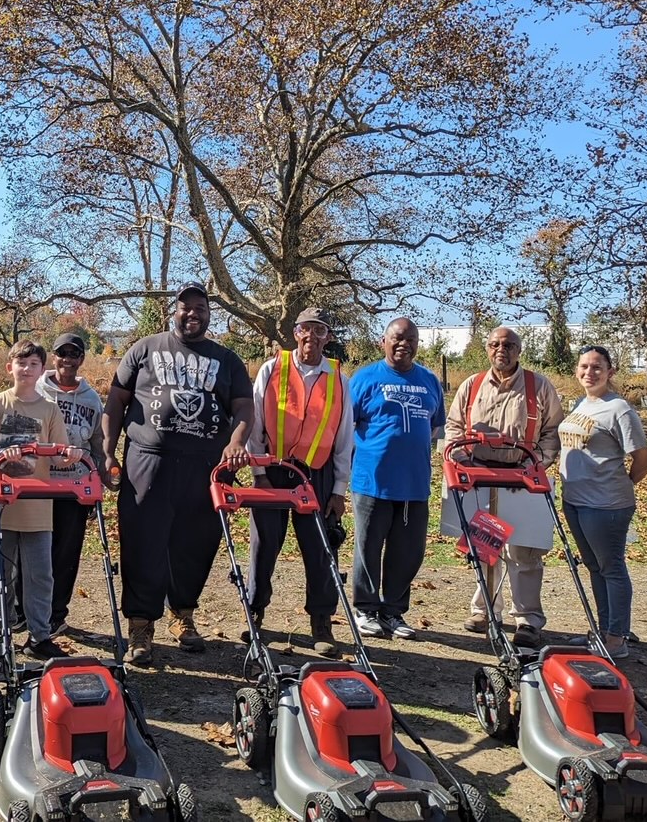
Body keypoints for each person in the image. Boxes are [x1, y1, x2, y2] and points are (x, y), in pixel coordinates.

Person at [102, 282, 253, 665]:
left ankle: (182, 614)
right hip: (147, 460)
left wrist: (237, 442)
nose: (193, 313)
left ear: (208, 313)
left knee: (196, 543)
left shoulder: (228, 360)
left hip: (206, 467)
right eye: (186, 307)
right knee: (142, 541)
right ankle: (140, 624)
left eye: (200, 307)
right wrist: (107, 449)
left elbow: (244, 409)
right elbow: (116, 400)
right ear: (175, 310)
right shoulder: (145, 349)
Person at [442, 326, 564, 649]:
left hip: (523, 478)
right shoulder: (473, 385)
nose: (502, 349)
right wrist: (463, 456)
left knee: (524, 552)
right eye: (495, 344)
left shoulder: (538, 386)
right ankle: (484, 611)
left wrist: (534, 462)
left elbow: (553, 431)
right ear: (487, 349)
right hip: (481, 476)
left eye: (509, 344)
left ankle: (527, 619)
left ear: (519, 350)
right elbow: (455, 426)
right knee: (485, 547)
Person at [242, 308, 353, 657]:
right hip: (272, 470)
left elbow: (344, 439)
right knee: (264, 546)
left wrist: (338, 491)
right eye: (306, 329)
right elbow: (256, 421)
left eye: (320, 331)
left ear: (328, 338)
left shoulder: (339, 378)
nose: (312, 337)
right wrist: (258, 474)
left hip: (316, 473)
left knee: (321, 550)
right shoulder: (273, 368)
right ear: (296, 332)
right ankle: (255, 613)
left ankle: (321, 623)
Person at [0, 339, 83, 661]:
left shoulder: (49, 410)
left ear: (41, 369)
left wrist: (71, 454)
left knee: (40, 574)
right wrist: (6, 454)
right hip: (0, 503)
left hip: (37, 504)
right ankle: (2, 629)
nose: (27, 369)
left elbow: (62, 456)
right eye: (21, 363)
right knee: (1, 572)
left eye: (34, 364)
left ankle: (39, 635)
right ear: (10, 367)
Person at [349, 317, 445, 641]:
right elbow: (344, 429)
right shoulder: (364, 379)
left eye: (411, 339)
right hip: (373, 482)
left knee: (408, 552)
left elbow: (435, 429)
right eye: (398, 338)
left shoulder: (429, 381)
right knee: (368, 549)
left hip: (414, 485)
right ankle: (365, 609)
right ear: (384, 341)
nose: (404, 344)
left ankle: (392, 612)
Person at [558, 345, 647, 660]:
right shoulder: (581, 404)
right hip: (575, 500)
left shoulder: (619, 409)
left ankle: (617, 637)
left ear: (610, 371)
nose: (590, 372)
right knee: (595, 568)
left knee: (611, 568)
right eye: (584, 366)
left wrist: (623, 484)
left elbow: (642, 457)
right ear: (576, 370)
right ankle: (603, 629)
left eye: (597, 367)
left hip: (606, 505)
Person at [37, 332, 105, 638]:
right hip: (38, 484)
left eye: (74, 354)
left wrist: (102, 477)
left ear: (81, 359)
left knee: (66, 554)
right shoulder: (37, 390)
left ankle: (56, 615)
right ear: (53, 357)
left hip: (75, 486)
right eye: (62, 353)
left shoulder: (91, 399)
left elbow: (98, 442)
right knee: (36, 551)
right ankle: (29, 614)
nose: (67, 359)